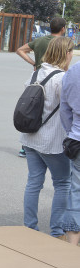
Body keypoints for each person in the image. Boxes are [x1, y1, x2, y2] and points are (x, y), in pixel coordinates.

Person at [19, 36, 73, 238]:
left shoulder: (37, 73)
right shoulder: (62, 79)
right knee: (62, 183)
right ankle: (57, 230)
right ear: (66, 54)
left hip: (30, 138)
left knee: (34, 182)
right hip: (52, 141)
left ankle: (29, 227)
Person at [16, 17, 66, 157]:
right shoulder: (62, 43)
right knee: (50, 113)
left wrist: (33, 63)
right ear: (63, 29)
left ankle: (26, 147)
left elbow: (20, 50)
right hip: (55, 79)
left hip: (37, 79)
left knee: (32, 110)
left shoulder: (39, 41)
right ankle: (48, 147)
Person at [60, 59, 80, 246]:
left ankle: (72, 244)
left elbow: (64, 108)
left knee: (77, 192)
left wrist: (71, 132)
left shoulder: (73, 71)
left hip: (78, 138)